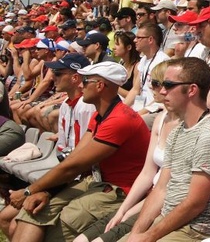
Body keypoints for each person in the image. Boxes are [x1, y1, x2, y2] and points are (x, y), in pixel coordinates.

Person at [7, 61, 150, 242]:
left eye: (85, 81)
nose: (80, 85)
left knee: (53, 232)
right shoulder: (100, 115)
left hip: (118, 191)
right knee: (31, 212)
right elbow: (74, 158)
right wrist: (45, 191)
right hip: (95, 181)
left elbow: (75, 165)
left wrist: (28, 190)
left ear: (100, 86)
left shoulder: (119, 119)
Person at [119, 58, 210, 241]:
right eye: (160, 85)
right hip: (167, 223)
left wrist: (148, 236)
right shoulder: (179, 131)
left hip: (195, 231)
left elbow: (195, 204)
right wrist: (137, 233)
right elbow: (161, 189)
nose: (162, 91)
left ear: (192, 90)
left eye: (169, 85)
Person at [73, 61, 179, 242]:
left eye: (156, 83)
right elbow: (148, 174)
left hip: (157, 203)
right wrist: (124, 211)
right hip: (143, 197)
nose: (152, 88)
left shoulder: (122, 118)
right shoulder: (161, 120)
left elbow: (165, 190)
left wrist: (131, 213)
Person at [125, 23, 170, 112]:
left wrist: (137, 115)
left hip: (155, 110)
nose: (134, 40)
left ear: (150, 39)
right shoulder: (143, 60)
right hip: (141, 108)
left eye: (139, 37)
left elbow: (161, 97)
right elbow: (135, 90)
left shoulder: (162, 61)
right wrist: (122, 109)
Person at [113, 31, 140, 98]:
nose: (114, 47)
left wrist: (114, 87)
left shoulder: (138, 66)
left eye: (117, 44)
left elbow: (135, 96)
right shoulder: (121, 63)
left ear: (129, 47)